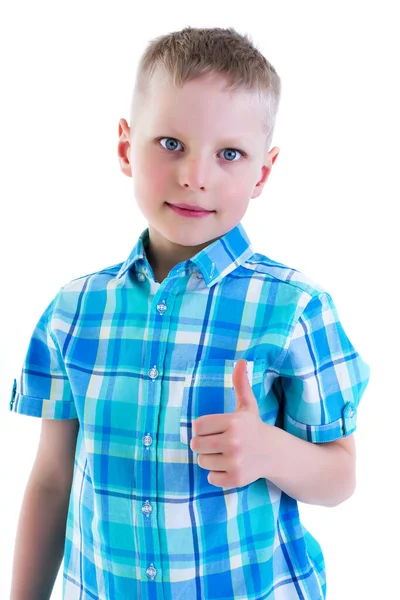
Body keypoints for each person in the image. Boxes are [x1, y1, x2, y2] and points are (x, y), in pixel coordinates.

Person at [9, 26, 370, 600]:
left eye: (230, 154)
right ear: (127, 147)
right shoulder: (73, 312)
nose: (195, 176)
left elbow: (341, 478)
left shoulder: (296, 308)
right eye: (171, 143)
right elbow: (52, 480)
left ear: (263, 173)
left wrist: (270, 450)